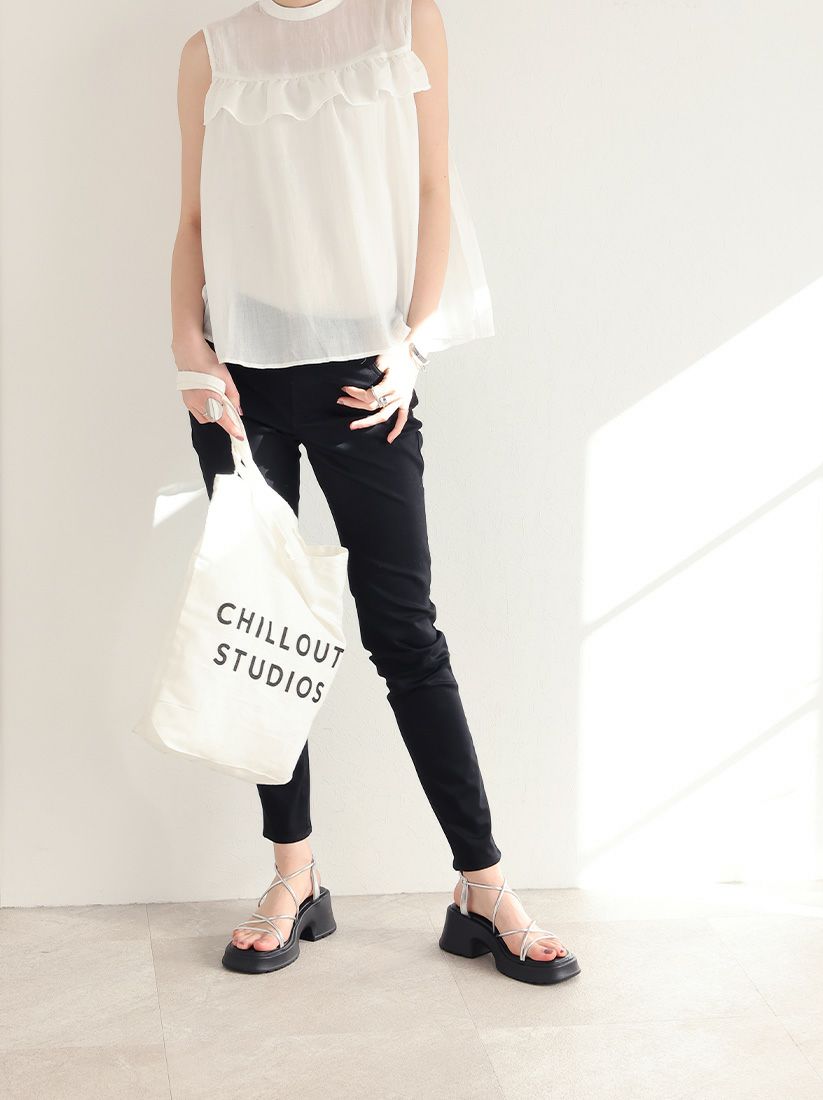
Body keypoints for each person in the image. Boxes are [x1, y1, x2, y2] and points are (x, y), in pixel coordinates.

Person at [170, 0, 578, 985]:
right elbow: (192, 220)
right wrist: (187, 347)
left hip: (365, 372)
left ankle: (481, 885)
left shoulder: (405, 20)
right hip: (238, 376)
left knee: (404, 632)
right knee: (263, 631)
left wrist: (412, 342)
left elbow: (435, 188)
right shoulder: (210, 52)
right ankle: (295, 877)